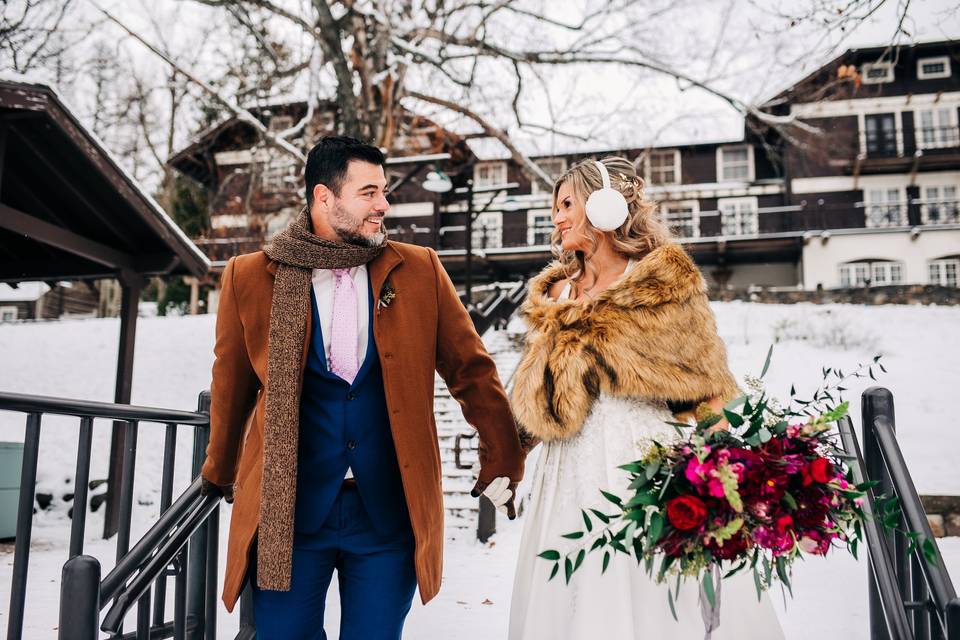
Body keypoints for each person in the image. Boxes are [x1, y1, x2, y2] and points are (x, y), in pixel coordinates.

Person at [200, 136, 524, 639]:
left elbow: (471, 369)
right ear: (324, 197)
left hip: (386, 512)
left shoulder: (419, 269)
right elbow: (232, 383)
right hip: (289, 514)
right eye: (369, 192)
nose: (384, 205)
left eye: (385, 191)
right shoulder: (250, 276)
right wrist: (219, 469)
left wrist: (503, 454)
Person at [507, 157, 784, 639]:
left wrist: (726, 473)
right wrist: (505, 453)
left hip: (647, 466)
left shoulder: (663, 285)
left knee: (650, 590)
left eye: (567, 204)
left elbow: (706, 385)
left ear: (605, 206)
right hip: (567, 469)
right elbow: (538, 398)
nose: (557, 218)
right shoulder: (556, 294)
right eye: (555, 208)